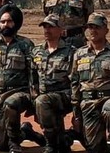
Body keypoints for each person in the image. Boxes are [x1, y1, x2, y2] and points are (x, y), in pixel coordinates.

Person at [70, 13, 110, 153]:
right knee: (95, 148)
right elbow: (75, 84)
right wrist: (76, 114)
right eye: (90, 27)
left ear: (106, 30)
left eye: (97, 27)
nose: (93, 31)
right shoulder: (79, 54)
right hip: (88, 103)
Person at [0, 5, 34, 153]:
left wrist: (33, 98)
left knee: (11, 103)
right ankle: (25, 132)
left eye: (9, 21)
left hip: (19, 93)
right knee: (1, 145)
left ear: (15, 23)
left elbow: (32, 73)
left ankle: (14, 144)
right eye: (3, 22)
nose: (6, 25)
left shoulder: (26, 44)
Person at [30, 14, 75, 153]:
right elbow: (33, 80)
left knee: (43, 101)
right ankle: (62, 138)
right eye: (45, 27)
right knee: (62, 146)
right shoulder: (36, 51)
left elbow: (75, 82)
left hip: (64, 97)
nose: (47, 30)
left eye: (51, 27)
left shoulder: (71, 52)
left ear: (61, 30)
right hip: (43, 97)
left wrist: (76, 109)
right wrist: (34, 101)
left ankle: (50, 144)